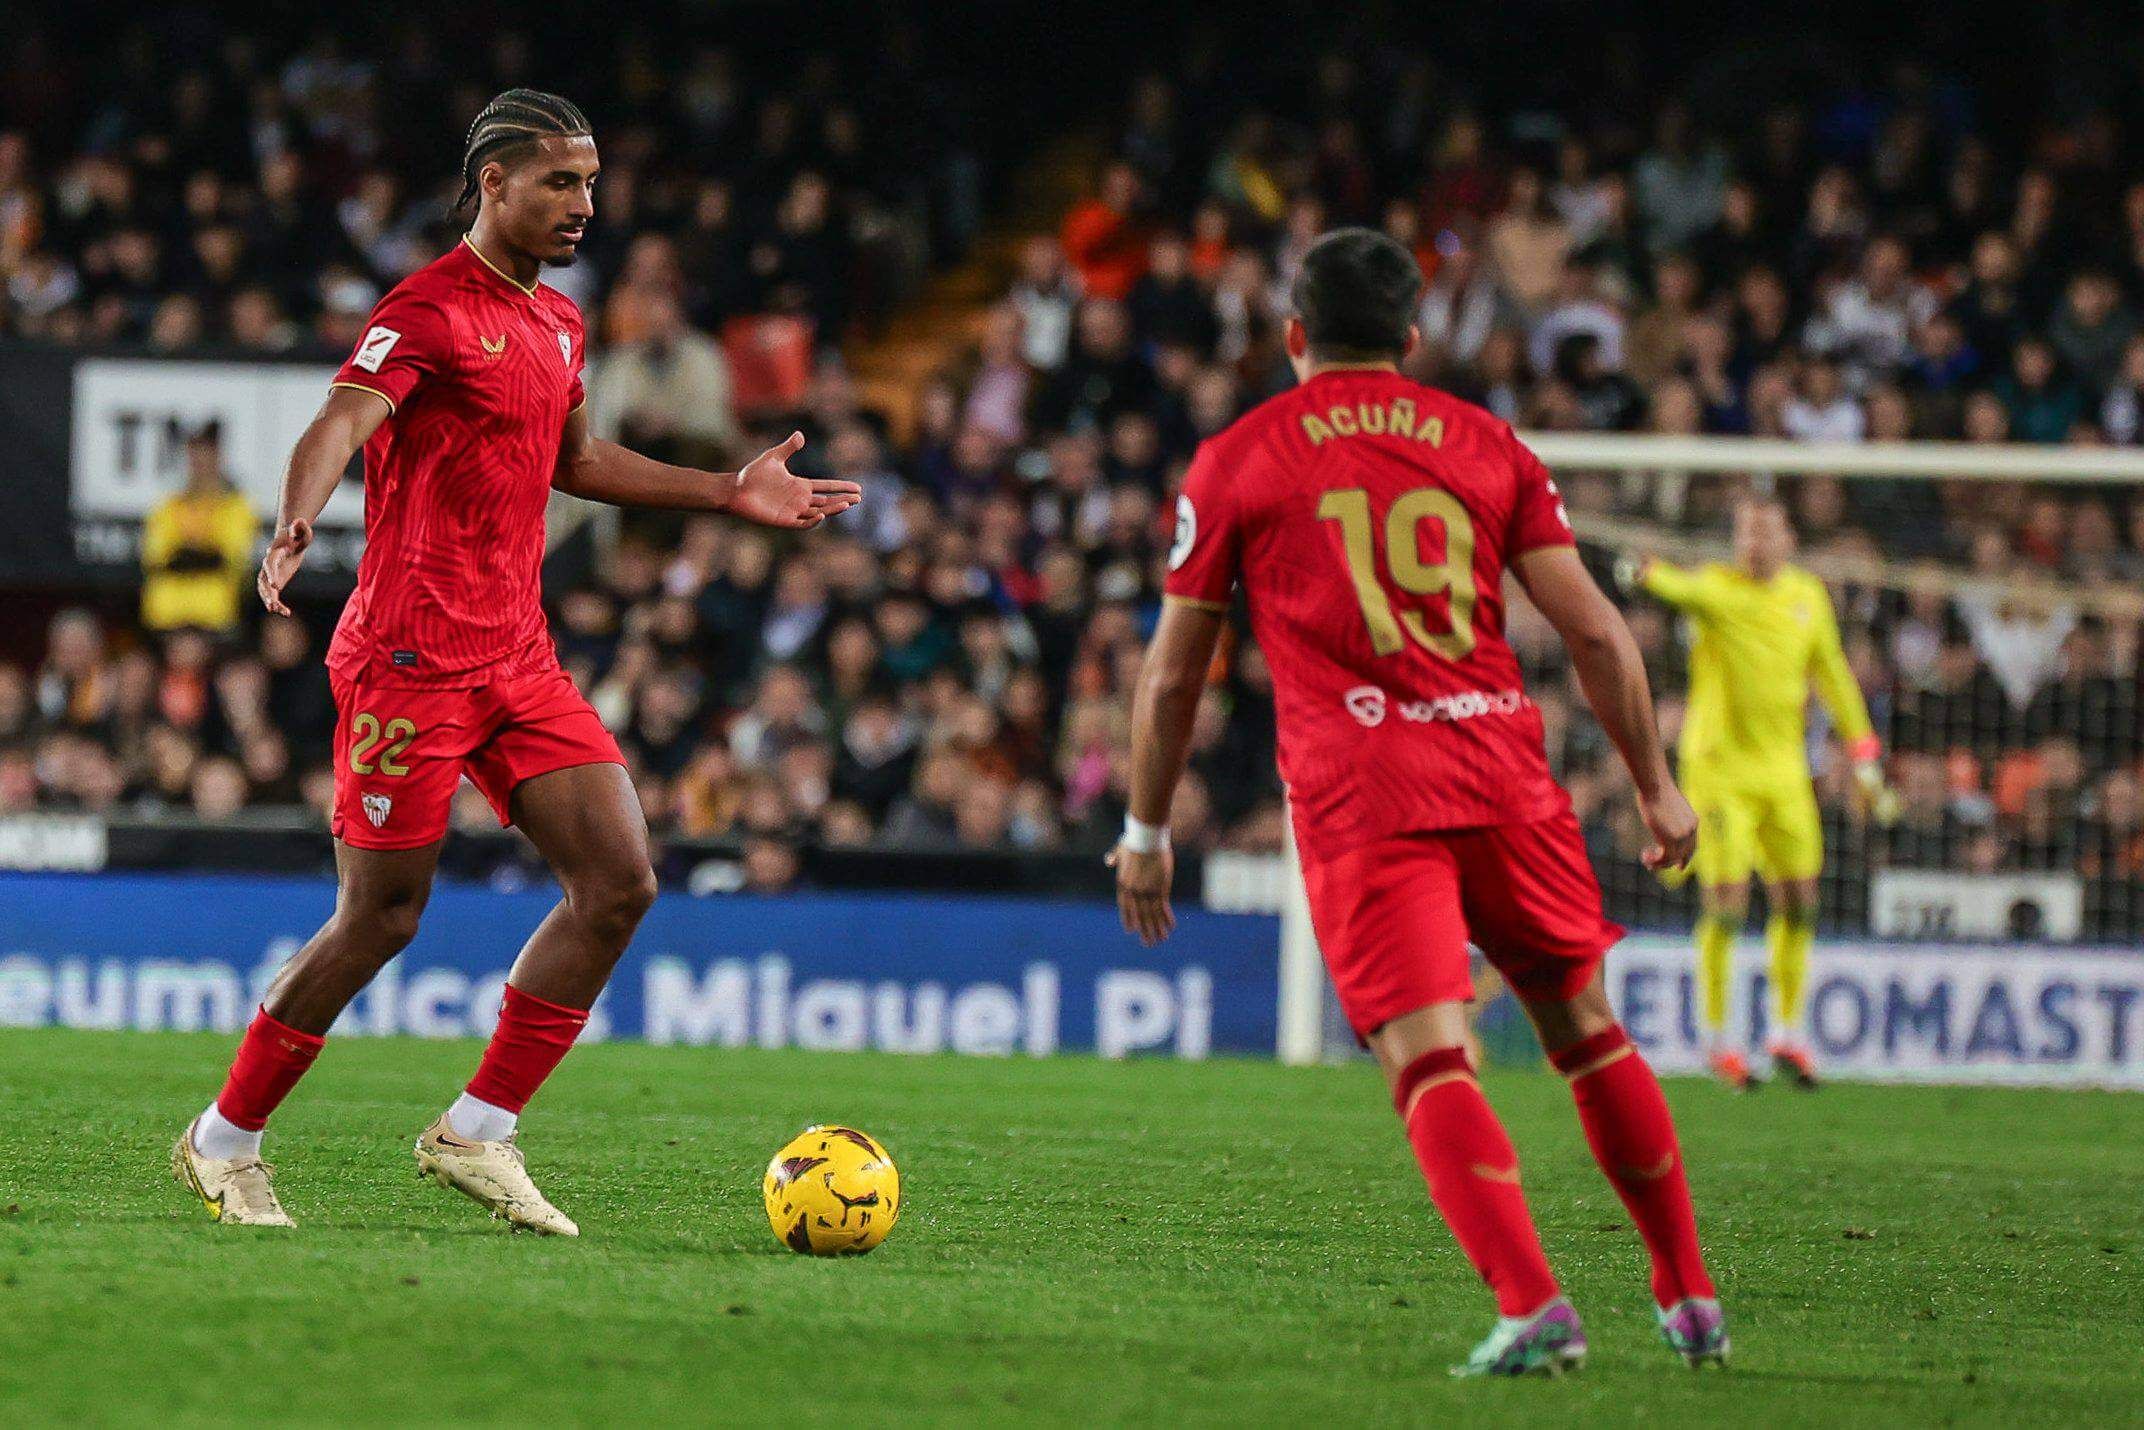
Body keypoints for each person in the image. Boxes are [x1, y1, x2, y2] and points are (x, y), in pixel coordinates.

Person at [170, 89, 861, 1234]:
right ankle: (222, 1137)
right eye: (559, 181)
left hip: (515, 655)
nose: (583, 204)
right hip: (408, 658)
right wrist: (297, 516)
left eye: (589, 182)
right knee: (380, 917)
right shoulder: (427, 308)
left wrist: (725, 488)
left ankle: (476, 1129)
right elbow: (340, 418)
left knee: (620, 881)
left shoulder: (560, 322)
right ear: (492, 183)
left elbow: (574, 459)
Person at [1114, 228, 1723, 1376]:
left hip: (1365, 792)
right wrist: (1653, 783)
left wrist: (1144, 828)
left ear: (1293, 334)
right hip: (1503, 773)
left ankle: (1533, 1303)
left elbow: (1172, 675)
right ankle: (1688, 1291)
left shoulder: (1240, 456)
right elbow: (1596, 632)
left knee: (1430, 1056)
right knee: (1586, 1032)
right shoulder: (1487, 440)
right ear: (1408, 334)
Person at [1618, 498, 1891, 1090]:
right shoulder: (1717, 590)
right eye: (1745, 533)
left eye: (1765, 532)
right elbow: (1670, 584)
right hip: (1720, 775)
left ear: (1788, 539)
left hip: (1785, 773)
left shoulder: (1807, 597)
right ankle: (1718, 1039)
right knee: (1728, 900)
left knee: (1801, 899)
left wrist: (1864, 751)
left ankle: (1788, 1034)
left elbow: (1834, 676)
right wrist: (1639, 570)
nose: (1755, 543)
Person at [139, 421, 259, 635]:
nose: (200, 464)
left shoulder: (236, 506)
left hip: (214, 615)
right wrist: (202, 552)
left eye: (206, 456)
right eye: (195, 457)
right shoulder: (169, 505)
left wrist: (187, 552)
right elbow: (155, 555)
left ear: (218, 458)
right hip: (167, 615)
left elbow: (233, 556)